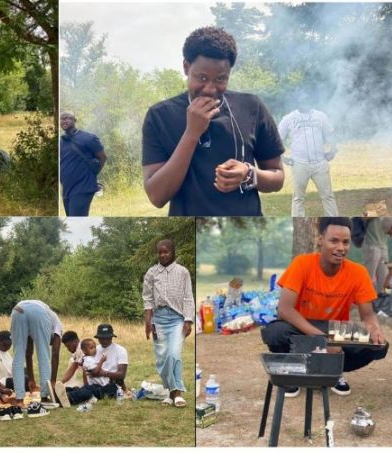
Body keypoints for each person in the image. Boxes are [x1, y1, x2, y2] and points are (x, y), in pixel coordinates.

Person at [141, 26, 284, 216]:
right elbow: (156, 196)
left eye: (220, 79)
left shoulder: (252, 107)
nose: (210, 88)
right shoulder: (160, 116)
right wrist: (192, 133)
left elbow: (278, 176)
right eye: (202, 77)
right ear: (186, 67)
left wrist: (249, 174)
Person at [261, 218, 388, 397]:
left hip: (335, 329)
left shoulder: (358, 272)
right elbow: (285, 310)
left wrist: (374, 328)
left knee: (379, 345)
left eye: (346, 242)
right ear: (321, 240)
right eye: (334, 241)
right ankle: (294, 372)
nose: (341, 248)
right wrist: (322, 339)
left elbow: (367, 316)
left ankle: (334, 371)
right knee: (275, 332)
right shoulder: (302, 264)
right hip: (301, 328)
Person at [142, 239, 194, 407]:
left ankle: (177, 392)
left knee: (174, 354)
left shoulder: (183, 272)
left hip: (177, 318)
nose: (163, 255)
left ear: (173, 252)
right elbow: (148, 299)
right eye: (160, 252)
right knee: (163, 359)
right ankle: (170, 393)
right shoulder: (151, 273)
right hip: (159, 319)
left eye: (166, 252)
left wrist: (188, 320)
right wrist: (148, 322)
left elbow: (188, 297)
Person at [278, 99, 339, 216]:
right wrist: (281, 156)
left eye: (307, 99)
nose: (304, 102)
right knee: (298, 198)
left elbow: (330, 134)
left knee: (328, 196)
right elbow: (278, 138)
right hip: (300, 163)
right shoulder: (289, 118)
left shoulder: (320, 116)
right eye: (301, 99)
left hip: (320, 162)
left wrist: (332, 150)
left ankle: (332, 218)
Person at [53, 324, 129, 408]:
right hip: (94, 383)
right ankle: (59, 393)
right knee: (83, 389)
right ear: (98, 338)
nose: (104, 340)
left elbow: (121, 375)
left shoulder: (121, 350)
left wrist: (103, 373)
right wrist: (86, 383)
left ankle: (66, 398)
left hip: (110, 385)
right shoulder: (94, 349)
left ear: (112, 337)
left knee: (88, 392)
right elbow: (84, 367)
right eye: (102, 338)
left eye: (107, 338)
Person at [9, 300, 62, 416]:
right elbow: (55, 354)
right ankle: (44, 397)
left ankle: (19, 400)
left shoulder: (49, 317)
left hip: (17, 309)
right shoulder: (57, 322)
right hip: (38, 312)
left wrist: (31, 380)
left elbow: (28, 353)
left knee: (18, 355)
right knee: (43, 355)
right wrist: (52, 381)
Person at [59, 111, 106, 216]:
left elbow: (102, 158)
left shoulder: (89, 138)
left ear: (75, 120)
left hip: (83, 187)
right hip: (67, 189)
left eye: (68, 118)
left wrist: (93, 175)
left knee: (77, 218)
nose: (64, 120)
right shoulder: (61, 142)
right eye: (62, 119)